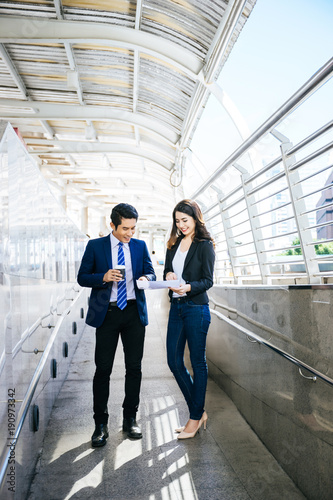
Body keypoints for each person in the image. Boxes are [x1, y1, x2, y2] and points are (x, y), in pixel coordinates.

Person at [77, 203, 156, 447]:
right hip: (107, 314)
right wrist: (103, 277)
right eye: (125, 228)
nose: (129, 233)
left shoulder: (140, 246)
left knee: (134, 368)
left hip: (133, 312)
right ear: (112, 225)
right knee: (103, 370)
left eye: (133, 228)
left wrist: (145, 278)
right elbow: (82, 277)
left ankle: (130, 418)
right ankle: (100, 425)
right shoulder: (95, 246)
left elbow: (152, 273)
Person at [164, 199, 215, 439]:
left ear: (195, 218)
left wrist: (188, 287)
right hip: (176, 307)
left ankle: (194, 419)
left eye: (185, 220)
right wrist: (170, 274)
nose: (181, 225)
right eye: (177, 221)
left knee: (198, 362)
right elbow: (167, 272)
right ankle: (198, 411)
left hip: (196, 308)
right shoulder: (173, 243)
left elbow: (207, 281)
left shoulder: (205, 245)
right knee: (174, 361)